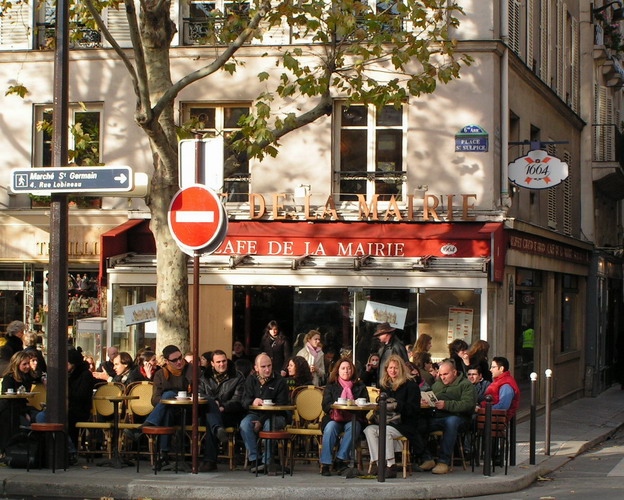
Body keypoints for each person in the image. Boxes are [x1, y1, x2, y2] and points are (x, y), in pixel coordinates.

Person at [125, 345, 192, 460]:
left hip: (187, 411)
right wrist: (168, 400)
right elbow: (154, 399)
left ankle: (146, 428)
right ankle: (164, 453)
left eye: (180, 358)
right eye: (174, 360)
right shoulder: (161, 374)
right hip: (168, 411)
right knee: (167, 403)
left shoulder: (190, 369)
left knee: (168, 396)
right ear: (167, 361)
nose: (179, 362)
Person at [363, 354, 425, 479]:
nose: (393, 371)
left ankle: (391, 466)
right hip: (386, 421)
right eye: (390, 368)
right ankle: (378, 463)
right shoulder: (385, 385)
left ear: (401, 369)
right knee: (368, 430)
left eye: (396, 368)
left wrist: (397, 405)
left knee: (384, 432)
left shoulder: (411, 386)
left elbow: (414, 410)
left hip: (404, 423)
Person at [419, 358, 477, 475]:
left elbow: (468, 404)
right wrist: (426, 402)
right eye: (440, 375)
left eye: (446, 374)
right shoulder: (437, 385)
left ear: (454, 372)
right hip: (437, 416)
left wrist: (446, 405)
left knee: (451, 422)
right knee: (418, 423)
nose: (443, 377)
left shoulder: (466, 385)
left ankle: (443, 461)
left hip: (459, 418)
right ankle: (427, 457)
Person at [240, 353, 289, 472]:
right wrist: (252, 401)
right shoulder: (251, 380)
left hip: (277, 415)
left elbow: (282, 405)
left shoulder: (280, 381)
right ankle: (254, 460)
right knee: (245, 425)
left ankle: (267, 462)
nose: (267, 369)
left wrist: (261, 421)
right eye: (263, 367)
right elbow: (243, 401)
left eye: (269, 366)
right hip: (255, 413)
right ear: (256, 368)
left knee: (269, 424)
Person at [198, 349, 246, 472]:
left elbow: (238, 400)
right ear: (212, 364)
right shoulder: (204, 377)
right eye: (218, 362)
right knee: (209, 406)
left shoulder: (237, 376)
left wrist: (222, 406)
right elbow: (200, 396)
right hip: (207, 413)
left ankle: (210, 461)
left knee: (211, 420)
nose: (222, 364)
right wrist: (214, 404)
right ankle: (217, 429)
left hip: (229, 414)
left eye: (224, 361)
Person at [319, 357, 368, 476]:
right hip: (334, 418)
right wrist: (334, 405)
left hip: (353, 417)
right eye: (343, 368)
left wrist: (357, 404)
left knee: (354, 426)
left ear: (353, 370)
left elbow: (366, 405)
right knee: (330, 428)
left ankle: (340, 460)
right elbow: (325, 405)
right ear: (338, 371)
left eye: (349, 368)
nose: (346, 371)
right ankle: (325, 464)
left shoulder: (360, 386)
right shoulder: (331, 386)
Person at [0, 351, 39, 454]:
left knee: (38, 415)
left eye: (28, 363)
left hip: (21, 408)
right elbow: (8, 399)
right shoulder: (9, 378)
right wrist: (24, 412)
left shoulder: (27, 377)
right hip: (9, 408)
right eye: (24, 364)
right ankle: (8, 449)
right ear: (17, 364)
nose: (27, 366)